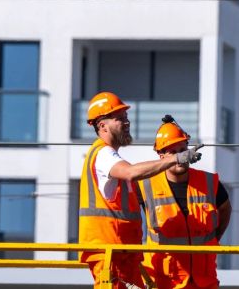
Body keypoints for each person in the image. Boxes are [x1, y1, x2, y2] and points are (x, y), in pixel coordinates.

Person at [78, 91, 203, 289]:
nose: (126, 122)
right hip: (111, 255)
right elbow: (131, 172)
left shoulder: (108, 156)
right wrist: (176, 158)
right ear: (102, 125)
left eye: (126, 118)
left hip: (123, 255)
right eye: (119, 118)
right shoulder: (103, 154)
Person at [138, 115, 231, 289]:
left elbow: (225, 209)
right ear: (161, 155)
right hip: (164, 281)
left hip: (204, 280)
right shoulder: (144, 186)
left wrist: (214, 238)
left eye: (182, 150)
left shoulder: (208, 182)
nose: (180, 156)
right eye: (173, 152)